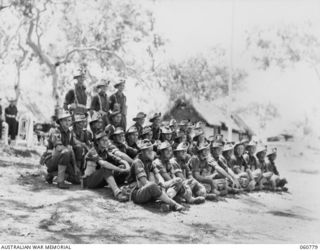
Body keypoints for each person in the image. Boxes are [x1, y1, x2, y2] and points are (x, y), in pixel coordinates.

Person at [130, 139, 184, 211]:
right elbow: (144, 183)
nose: (150, 152)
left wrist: (163, 184)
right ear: (142, 151)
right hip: (137, 192)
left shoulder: (149, 161)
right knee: (152, 185)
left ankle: (164, 201)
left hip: (150, 190)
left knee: (178, 181)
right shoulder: (138, 162)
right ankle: (173, 204)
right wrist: (160, 188)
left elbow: (158, 176)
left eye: (151, 150)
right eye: (147, 150)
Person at [83, 131, 130, 202]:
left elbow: (119, 159)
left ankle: (125, 189)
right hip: (89, 181)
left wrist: (126, 167)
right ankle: (117, 193)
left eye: (106, 140)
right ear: (97, 142)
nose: (105, 142)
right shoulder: (92, 151)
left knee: (121, 167)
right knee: (106, 169)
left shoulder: (105, 151)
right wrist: (119, 169)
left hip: (99, 180)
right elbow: (103, 164)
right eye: (103, 140)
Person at [43, 109, 81, 189]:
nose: (68, 122)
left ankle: (52, 174)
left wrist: (75, 166)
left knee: (76, 180)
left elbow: (72, 150)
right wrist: (68, 149)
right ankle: (60, 181)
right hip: (51, 159)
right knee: (66, 151)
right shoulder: (55, 131)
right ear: (60, 122)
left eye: (69, 120)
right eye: (65, 120)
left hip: (64, 158)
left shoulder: (70, 133)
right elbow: (59, 147)